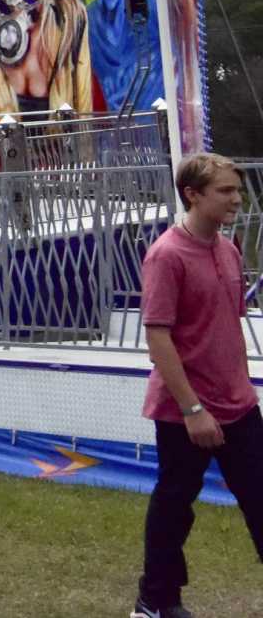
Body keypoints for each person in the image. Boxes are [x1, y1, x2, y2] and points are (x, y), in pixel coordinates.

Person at [132, 153, 263, 618]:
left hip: (239, 405)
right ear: (193, 194)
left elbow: (222, 329)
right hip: (184, 412)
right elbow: (158, 336)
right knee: (175, 506)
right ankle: (155, 601)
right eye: (225, 190)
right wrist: (193, 411)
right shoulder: (166, 255)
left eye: (236, 189)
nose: (236, 198)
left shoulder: (228, 250)